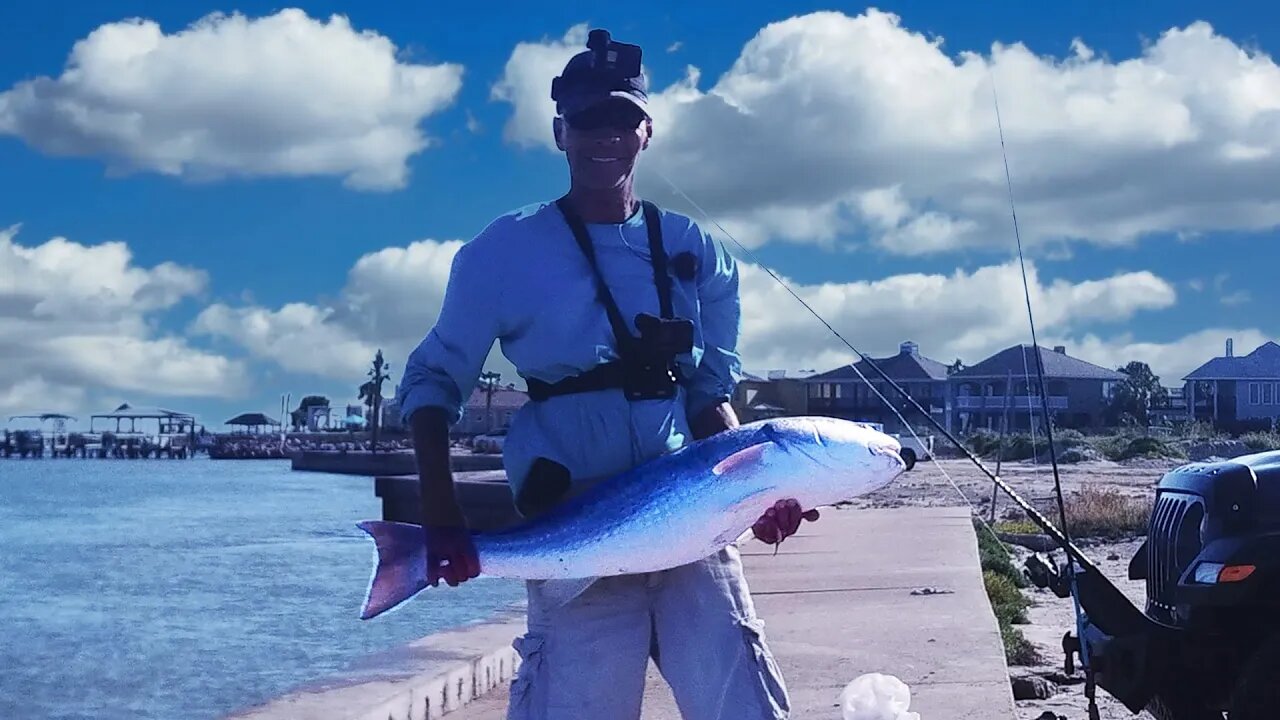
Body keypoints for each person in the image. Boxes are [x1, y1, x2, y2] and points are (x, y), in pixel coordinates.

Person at [398, 28, 817, 720]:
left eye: (622, 118)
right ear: (560, 131)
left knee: (745, 703)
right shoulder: (501, 252)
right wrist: (440, 517)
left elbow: (713, 391)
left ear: (646, 131)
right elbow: (433, 380)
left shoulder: (698, 251)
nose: (605, 134)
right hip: (573, 523)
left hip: (689, 522)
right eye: (589, 118)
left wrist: (759, 494)